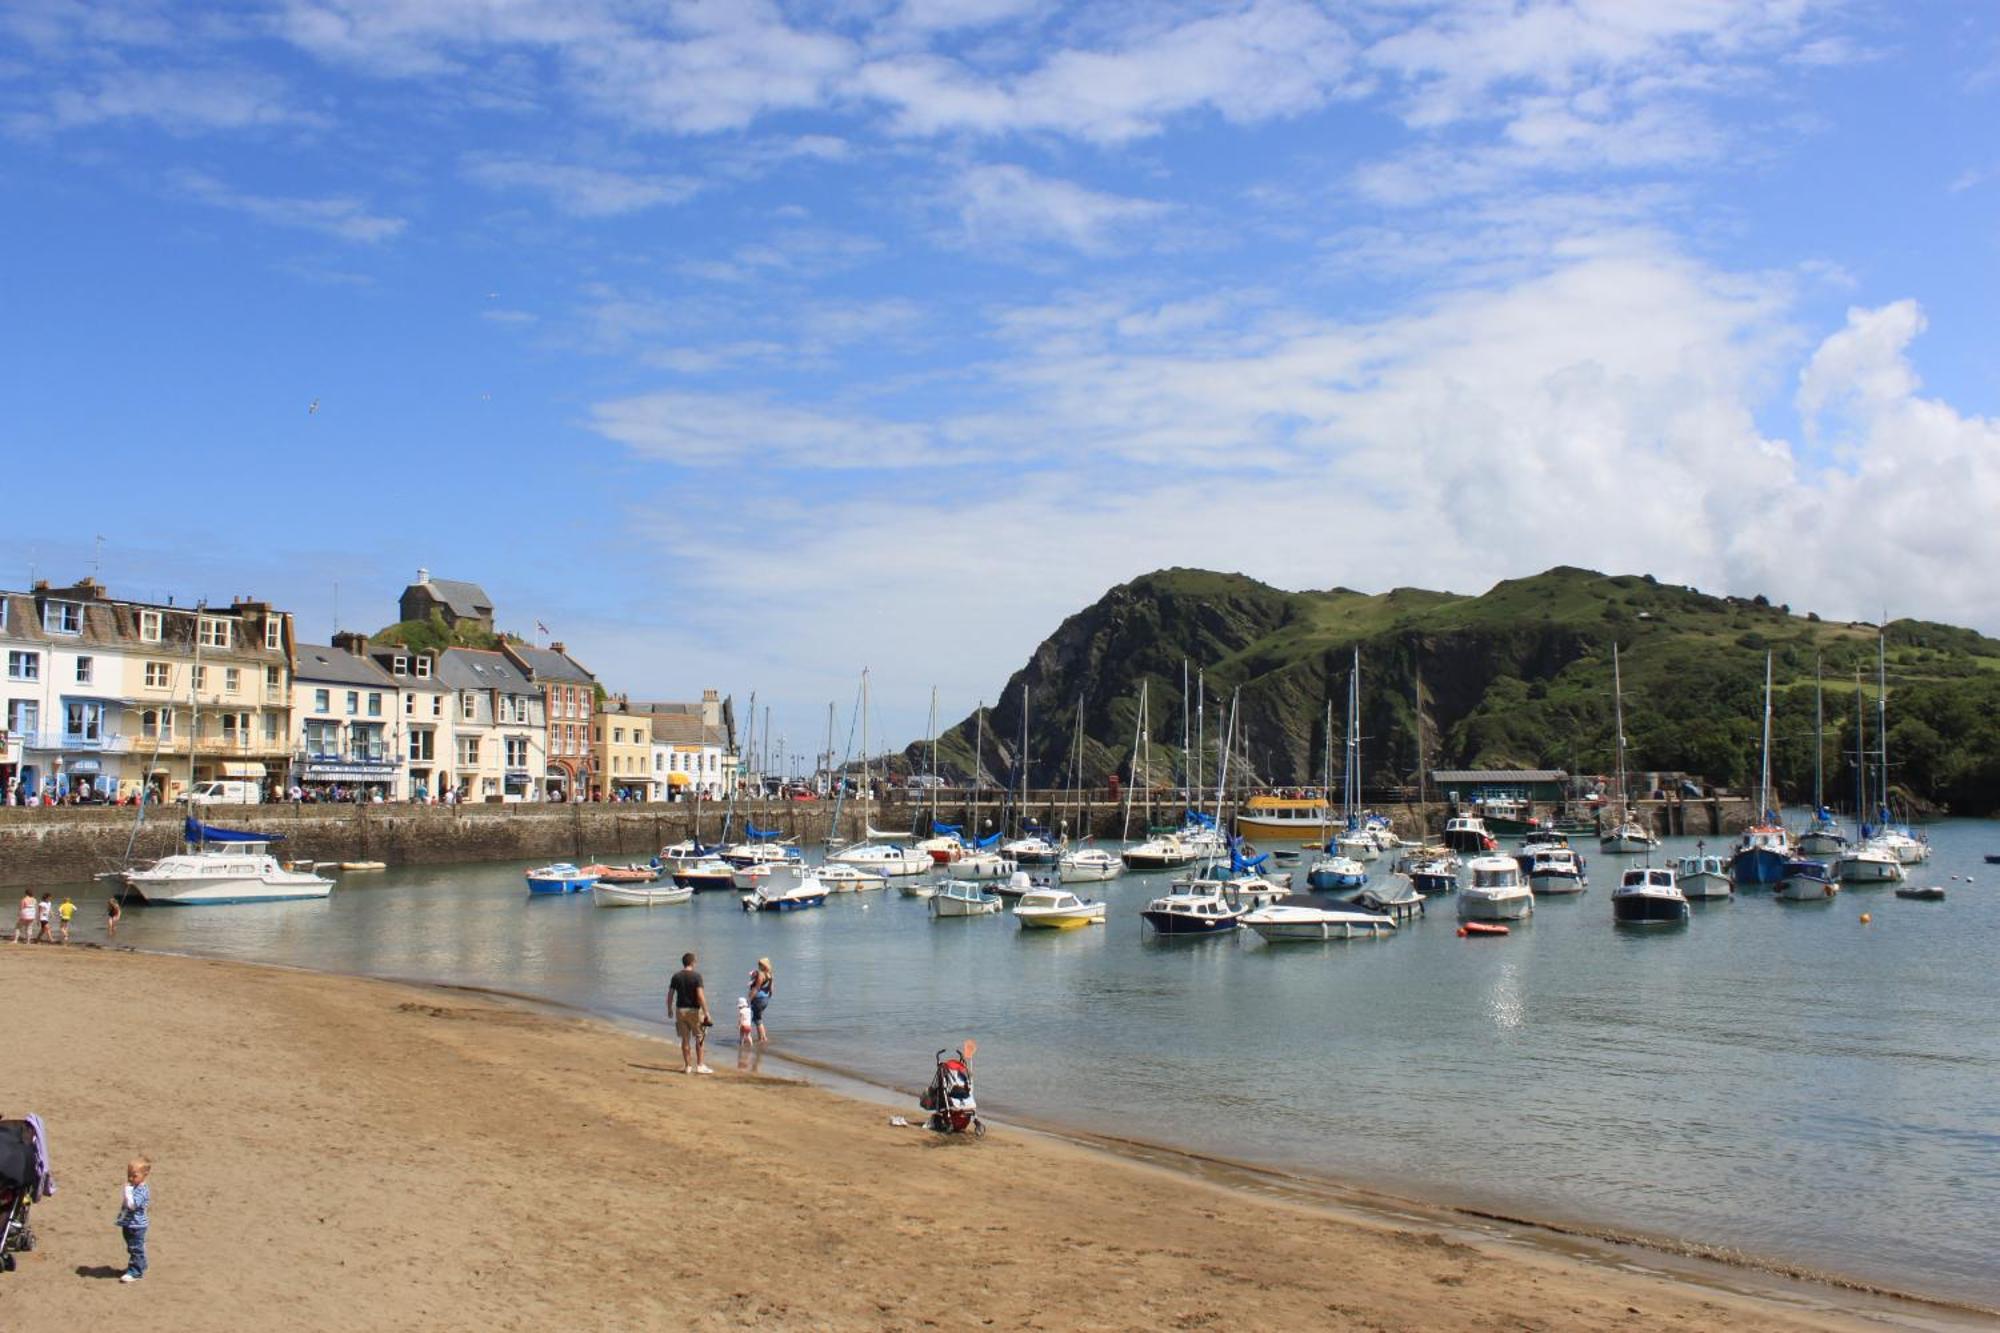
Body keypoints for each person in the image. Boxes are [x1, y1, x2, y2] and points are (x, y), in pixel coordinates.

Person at [667, 951, 712, 1075]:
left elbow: (670, 994)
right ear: (693, 962)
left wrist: (669, 1009)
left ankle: (687, 1066)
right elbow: (700, 995)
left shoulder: (676, 976)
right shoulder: (697, 976)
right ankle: (700, 1065)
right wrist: (706, 1012)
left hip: (680, 1010)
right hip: (694, 1010)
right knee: (700, 1037)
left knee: (685, 1039)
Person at [116, 1156, 151, 1282]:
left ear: (144, 1175)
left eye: (134, 1175)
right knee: (133, 1246)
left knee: (135, 1248)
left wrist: (127, 1192)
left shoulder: (142, 1190)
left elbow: (132, 1205)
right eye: (129, 1175)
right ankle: (141, 1263)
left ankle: (135, 1272)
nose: (130, 1178)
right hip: (129, 1223)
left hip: (137, 1225)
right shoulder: (133, 1186)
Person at [746, 957, 774, 1044]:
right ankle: (764, 1037)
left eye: (760, 965)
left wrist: (749, 999)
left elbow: (756, 988)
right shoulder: (770, 974)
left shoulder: (761, 974)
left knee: (757, 1020)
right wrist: (769, 996)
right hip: (765, 998)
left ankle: (761, 1039)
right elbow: (771, 989)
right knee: (759, 1018)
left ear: (763, 966)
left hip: (758, 999)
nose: (758, 966)